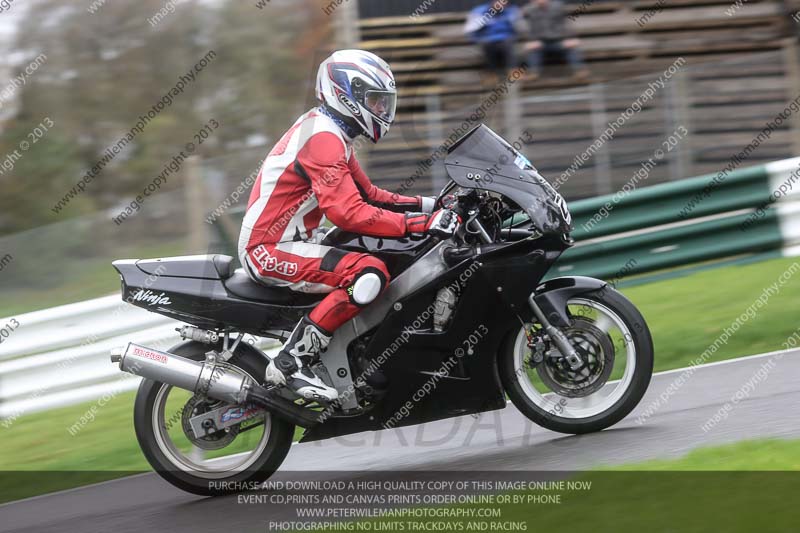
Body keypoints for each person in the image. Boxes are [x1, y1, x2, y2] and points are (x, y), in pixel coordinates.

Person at [237, 49, 459, 402]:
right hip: (269, 249)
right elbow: (349, 213)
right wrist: (422, 223)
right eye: (375, 101)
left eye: (385, 103)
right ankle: (292, 362)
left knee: (375, 253)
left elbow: (368, 194)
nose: (383, 111)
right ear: (346, 94)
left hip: (295, 240)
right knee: (367, 274)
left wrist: (433, 204)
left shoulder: (330, 131)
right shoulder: (322, 138)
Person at [522, 0, 589, 81]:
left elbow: (567, 24)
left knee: (572, 49)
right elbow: (525, 28)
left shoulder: (558, 7)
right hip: (540, 43)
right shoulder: (529, 10)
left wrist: (570, 38)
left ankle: (580, 72)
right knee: (532, 51)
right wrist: (530, 41)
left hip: (559, 41)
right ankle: (533, 74)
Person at [464, 0, 524, 82]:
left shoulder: (511, 10)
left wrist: (514, 19)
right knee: (488, 46)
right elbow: (469, 29)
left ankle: (512, 71)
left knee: (507, 43)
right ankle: (491, 74)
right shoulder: (479, 11)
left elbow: (521, 28)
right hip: (486, 39)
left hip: (506, 38)